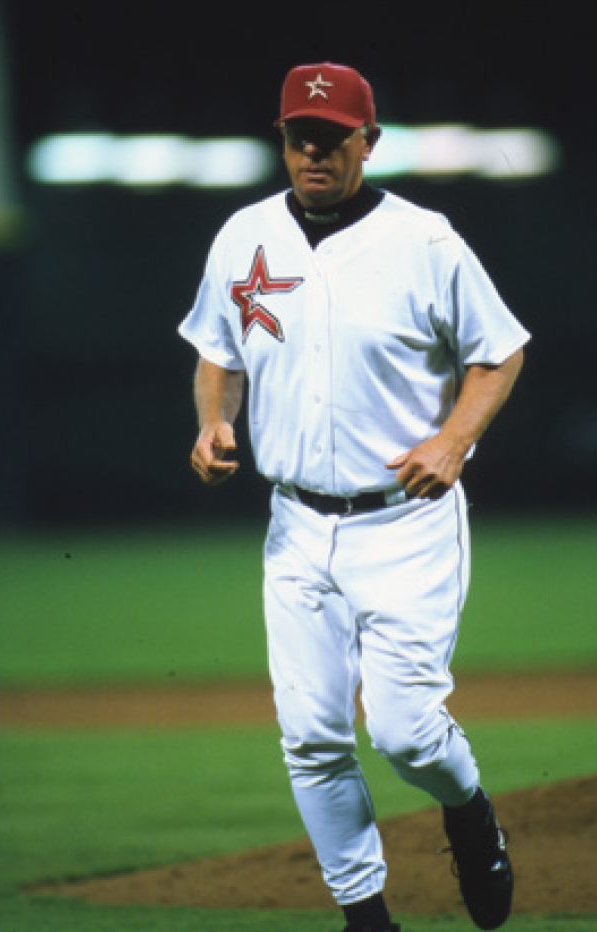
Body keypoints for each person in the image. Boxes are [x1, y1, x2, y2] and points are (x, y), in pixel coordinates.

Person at [179, 61, 530, 932]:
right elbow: (216, 353)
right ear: (282, 140)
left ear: (368, 143)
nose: (314, 152)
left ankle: (467, 803)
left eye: (333, 139)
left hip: (403, 524)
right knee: (311, 736)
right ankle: (365, 918)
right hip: (295, 524)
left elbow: (501, 350)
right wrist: (212, 422)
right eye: (300, 136)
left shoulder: (425, 241)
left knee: (409, 734)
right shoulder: (244, 236)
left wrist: (453, 440)